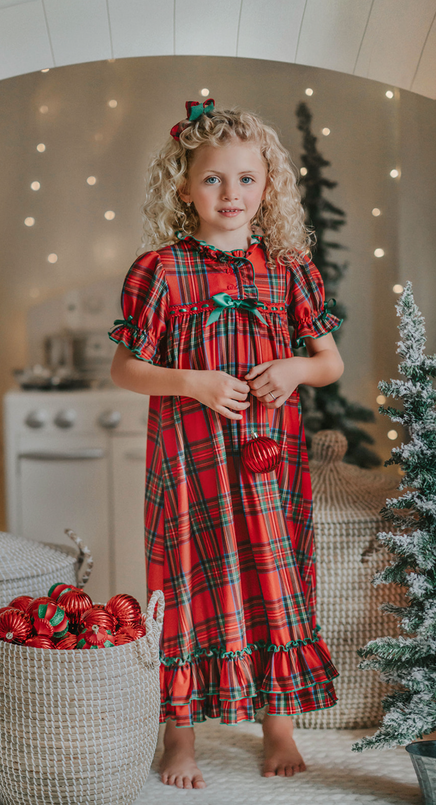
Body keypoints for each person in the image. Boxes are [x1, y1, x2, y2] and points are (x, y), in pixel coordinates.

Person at [108, 99, 344, 789]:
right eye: (212, 180)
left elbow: (328, 362)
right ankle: (177, 737)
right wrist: (193, 383)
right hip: (189, 463)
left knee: (274, 578)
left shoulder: (288, 270)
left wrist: (296, 367)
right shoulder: (160, 271)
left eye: (245, 179)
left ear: (266, 187)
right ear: (183, 187)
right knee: (182, 583)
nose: (230, 194)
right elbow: (125, 369)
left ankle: (277, 724)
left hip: (270, 461)